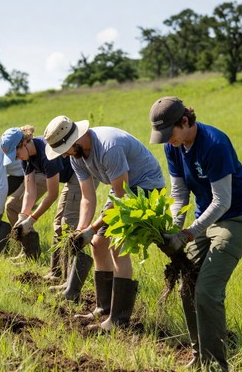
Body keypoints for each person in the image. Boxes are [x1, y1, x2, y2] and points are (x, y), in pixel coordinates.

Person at [148, 96, 242, 371]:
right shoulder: (173, 147)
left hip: (235, 217)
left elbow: (222, 201)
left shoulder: (214, 144)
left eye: (168, 133)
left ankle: (218, 366)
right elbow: (179, 192)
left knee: (207, 290)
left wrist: (186, 235)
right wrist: (175, 228)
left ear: (185, 121)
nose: (166, 140)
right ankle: (201, 358)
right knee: (188, 285)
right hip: (204, 219)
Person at [44, 115, 165, 330]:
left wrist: (93, 227)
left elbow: (121, 196)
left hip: (147, 187)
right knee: (98, 244)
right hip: (122, 189)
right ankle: (103, 307)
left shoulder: (109, 147)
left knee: (118, 245)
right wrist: (82, 230)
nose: (66, 156)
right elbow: (88, 197)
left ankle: (118, 319)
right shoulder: (76, 157)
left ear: (75, 139)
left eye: (66, 150)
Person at [0, 125, 92, 288]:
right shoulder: (27, 158)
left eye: (16, 154)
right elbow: (30, 190)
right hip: (70, 178)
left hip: (80, 175)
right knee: (58, 224)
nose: (16, 158)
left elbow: (52, 194)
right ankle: (56, 272)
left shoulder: (45, 152)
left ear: (24, 143)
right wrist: (23, 216)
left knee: (68, 223)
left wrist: (32, 220)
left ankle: (71, 279)